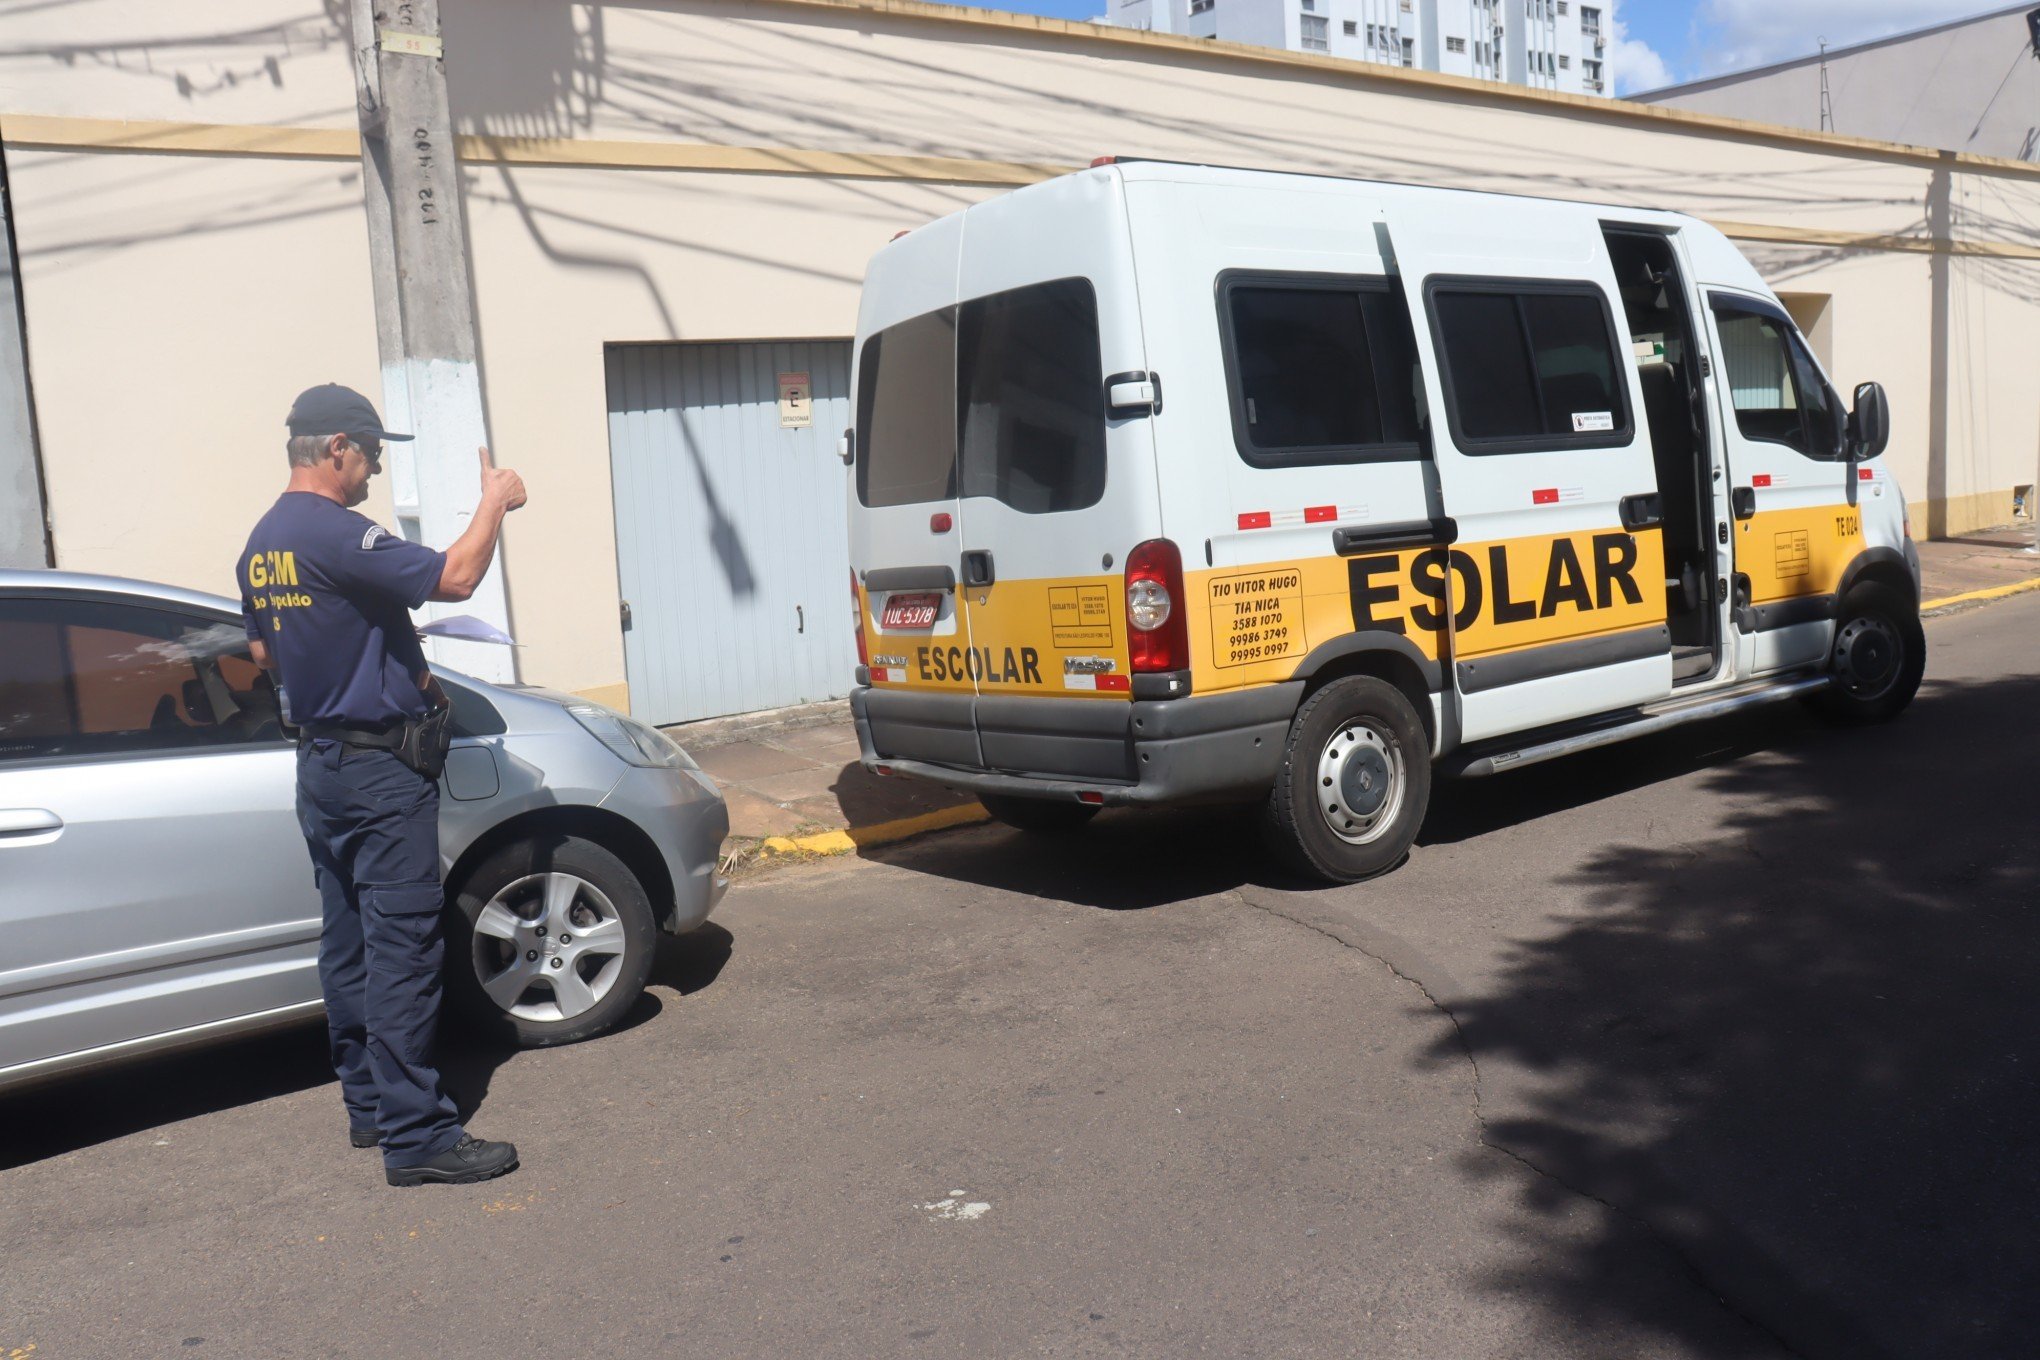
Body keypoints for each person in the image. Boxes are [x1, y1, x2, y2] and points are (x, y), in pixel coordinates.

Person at [238, 383, 527, 1187]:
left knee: (350, 942)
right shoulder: (336, 532)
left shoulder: (262, 542)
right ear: (336, 449)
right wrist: (495, 500)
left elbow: (264, 656)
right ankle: (418, 1136)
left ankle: (368, 1107)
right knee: (402, 947)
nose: (373, 472)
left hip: (321, 765)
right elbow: (459, 576)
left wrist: (356, 649)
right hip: (376, 771)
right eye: (370, 454)